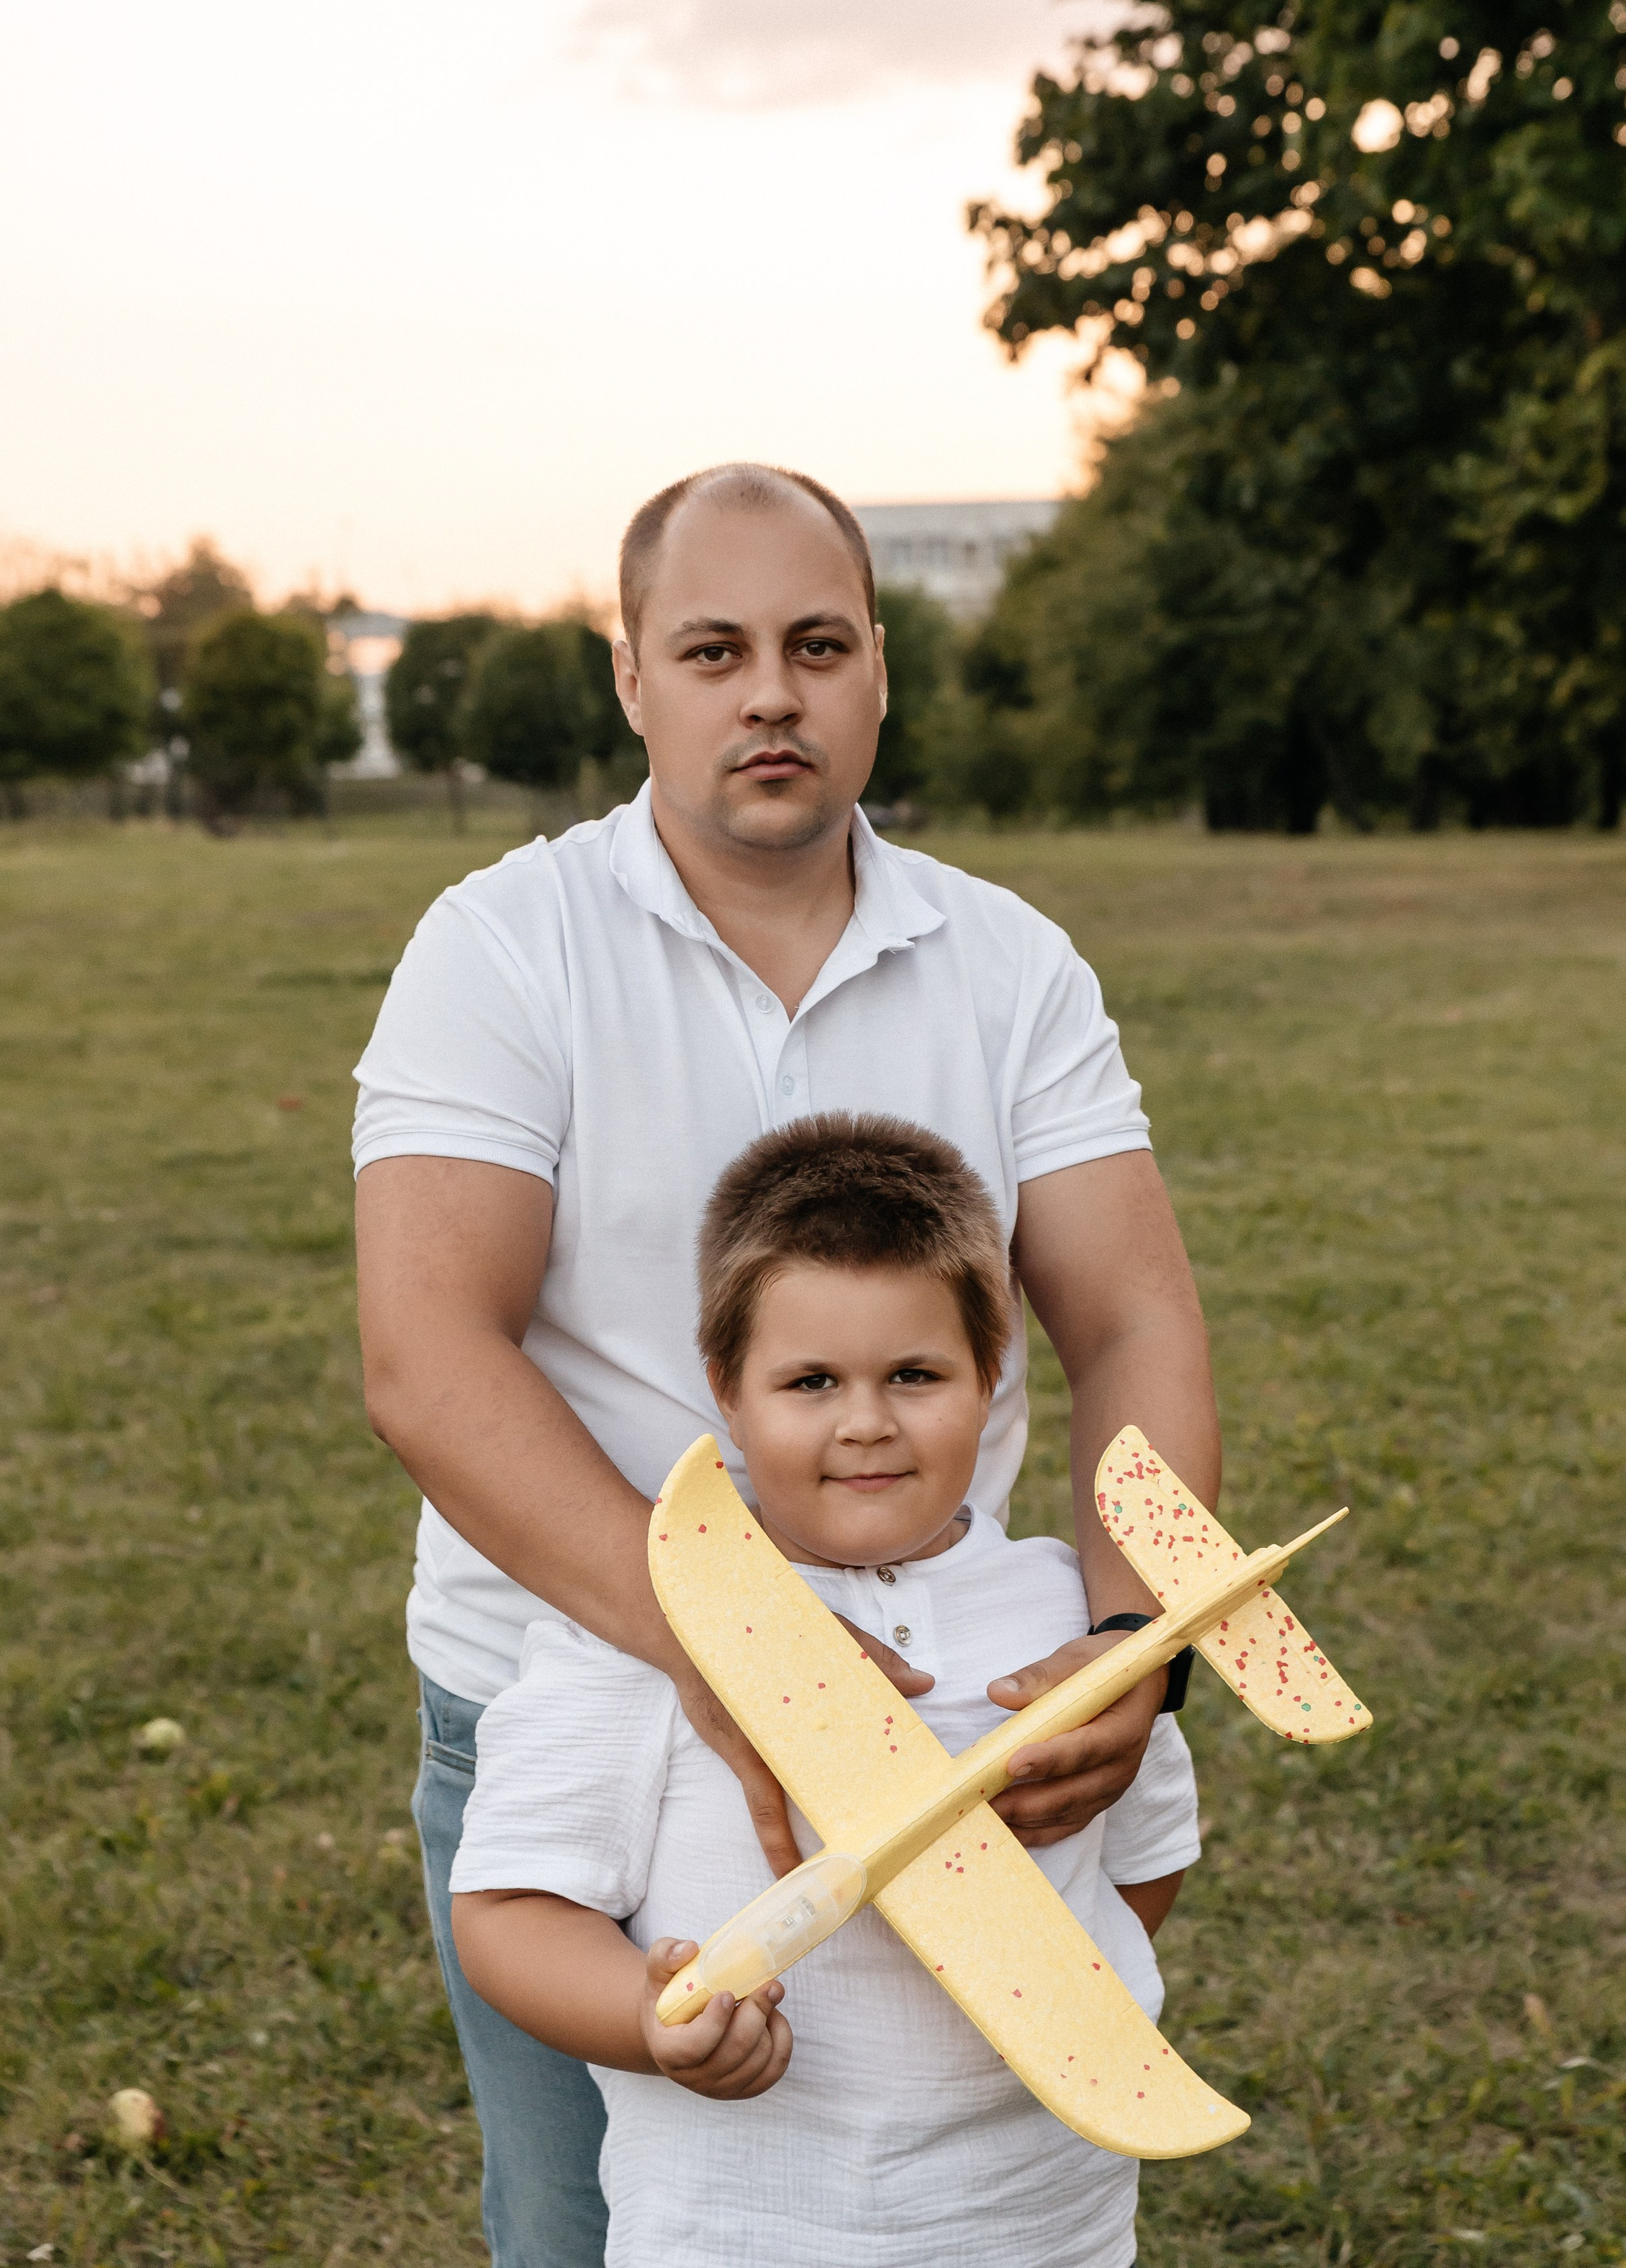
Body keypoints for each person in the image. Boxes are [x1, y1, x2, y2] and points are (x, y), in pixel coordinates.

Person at [353, 462, 1220, 2267]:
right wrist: (740, 1662)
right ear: (631, 680)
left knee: (975, 2183)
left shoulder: (1009, 961)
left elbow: (1129, 1314)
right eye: (715, 649)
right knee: (595, 2224)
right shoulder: (503, 946)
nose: (771, 693)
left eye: (817, 646)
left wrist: (1133, 1639)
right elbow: (429, 1355)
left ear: (878, 673)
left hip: (945, 1701)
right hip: (576, 1691)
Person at [448, 1115, 1200, 2268]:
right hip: (741, 2228)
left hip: (1045, 2224)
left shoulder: (1073, 1623)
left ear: (989, 1374)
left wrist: (1021, 1999)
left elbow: (1142, 1867)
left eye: (914, 1374)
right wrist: (650, 2024)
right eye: (809, 1381)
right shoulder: (647, 1633)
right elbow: (507, 1915)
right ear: (726, 1392)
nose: (865, 1422)